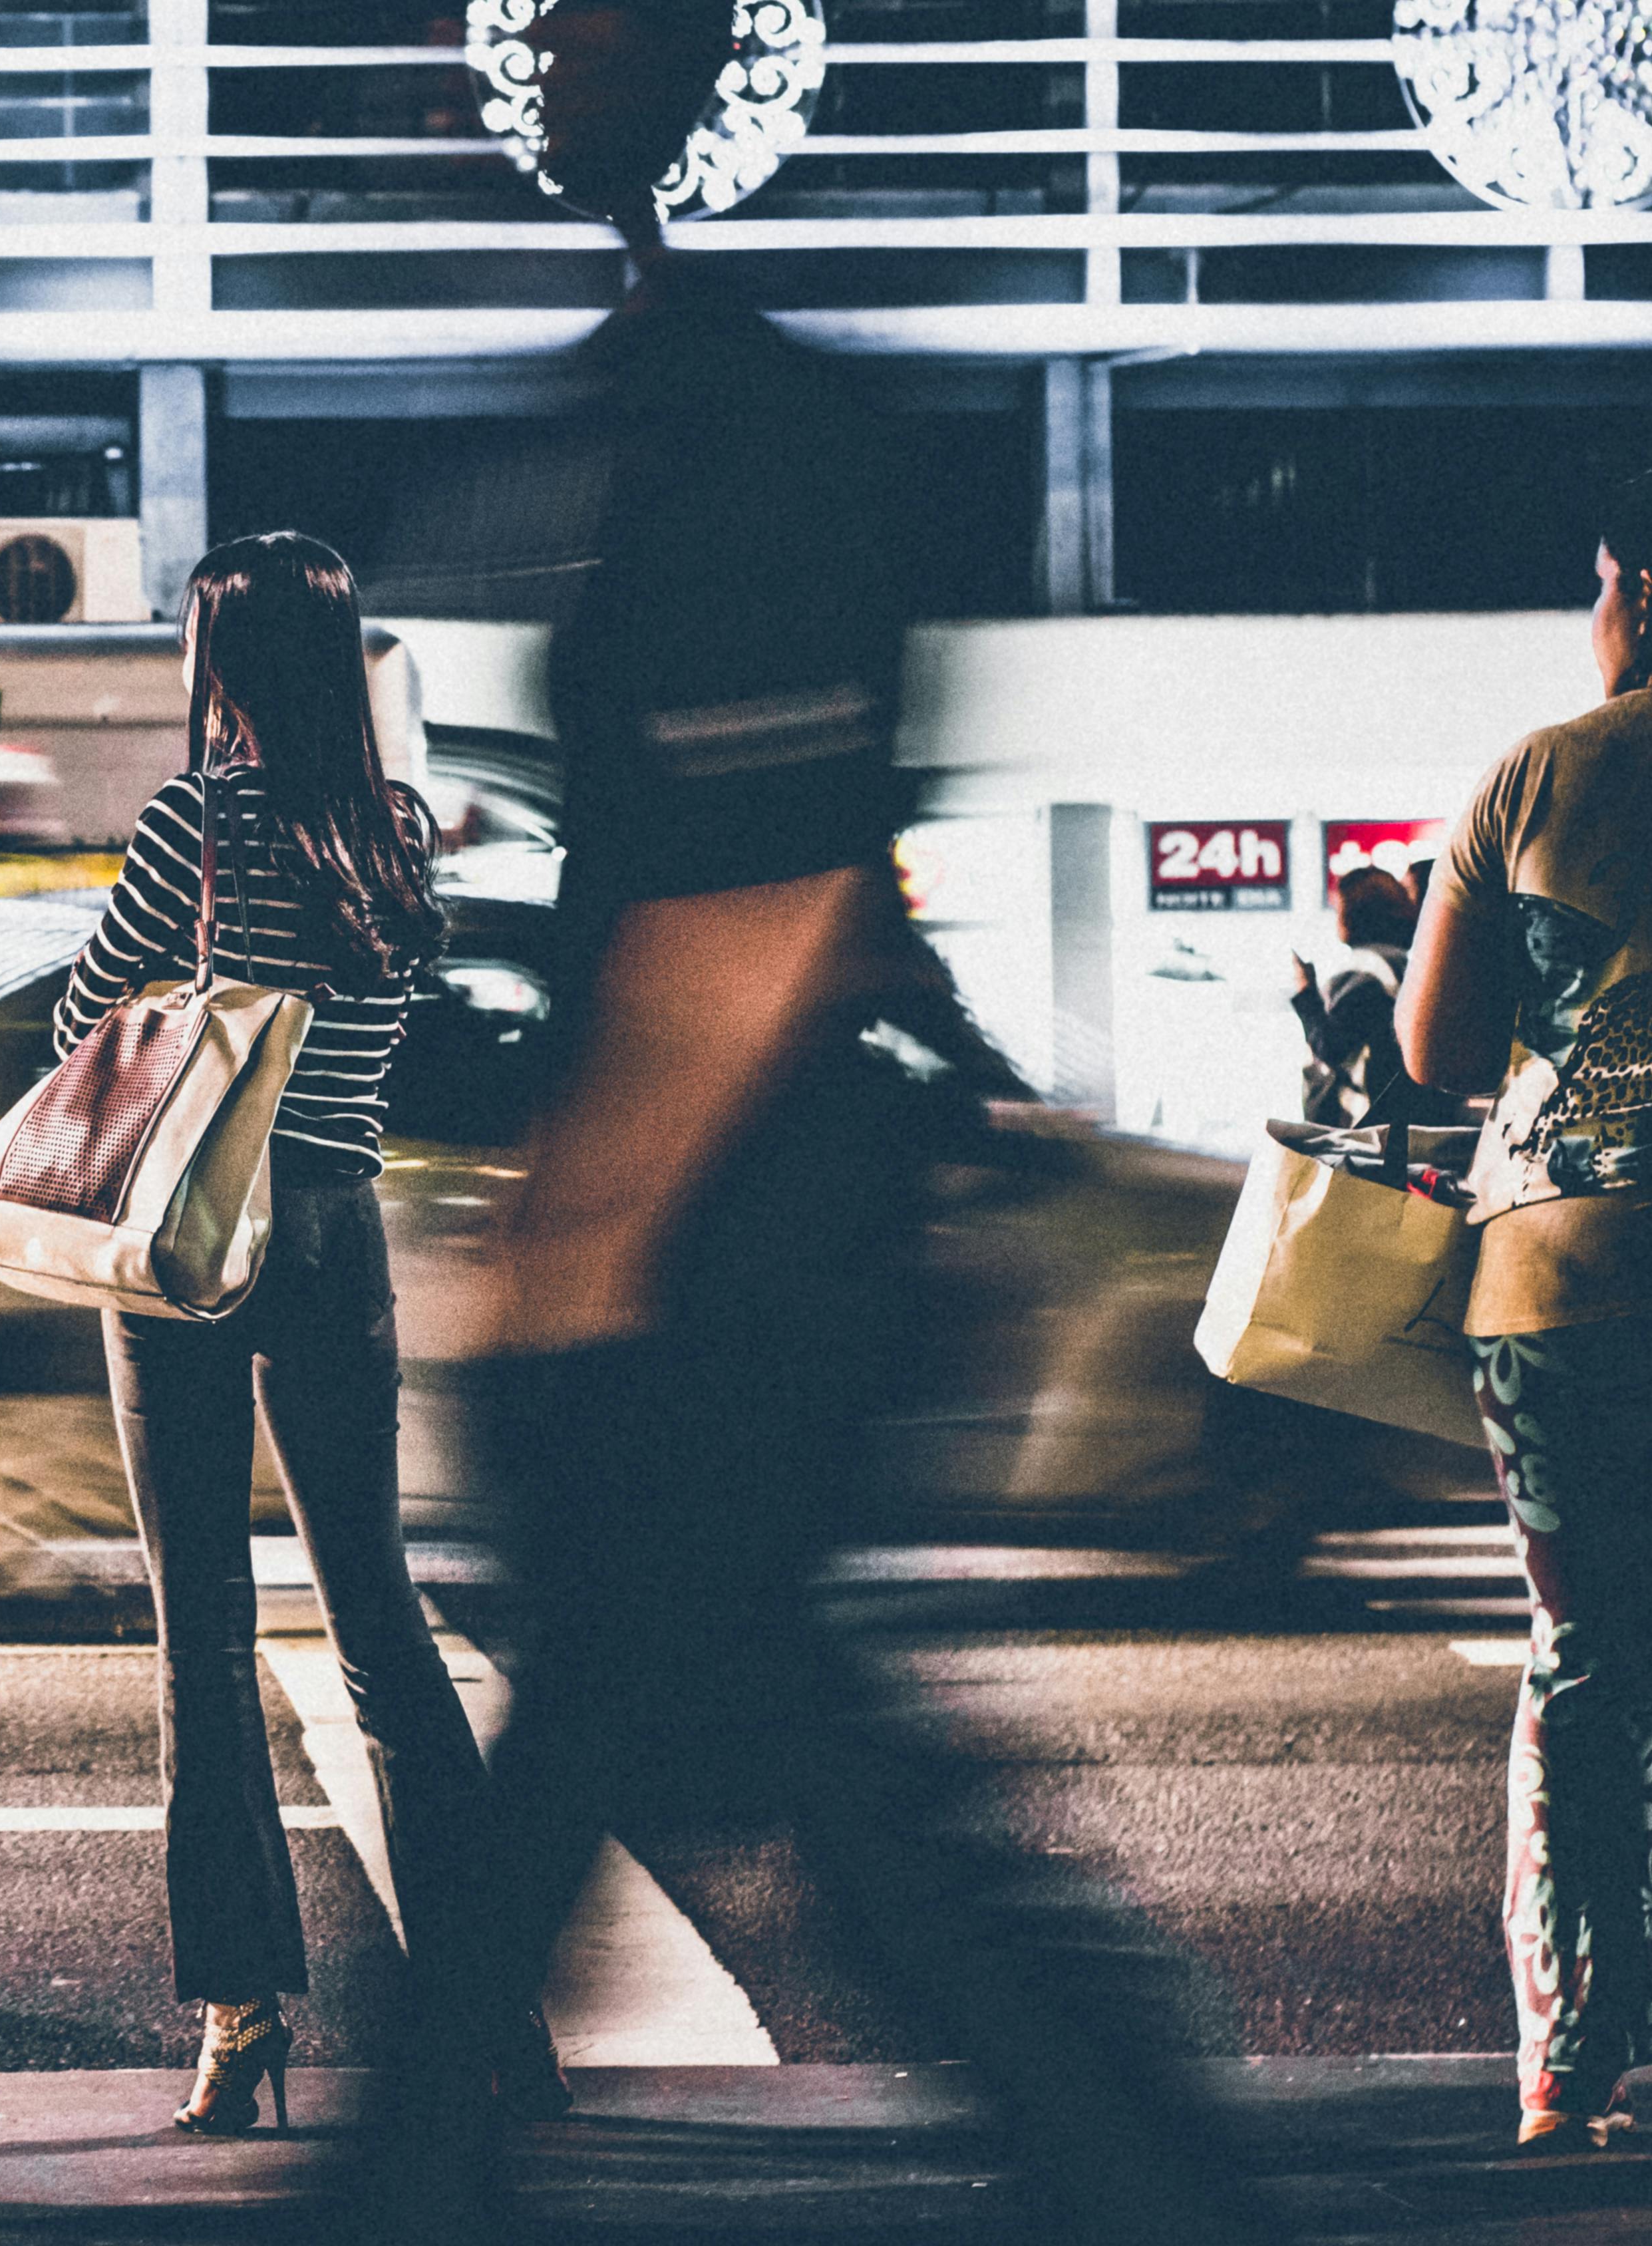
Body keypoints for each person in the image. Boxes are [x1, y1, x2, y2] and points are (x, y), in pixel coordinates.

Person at [357, 3, 1287, 2238]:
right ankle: (1138, 2164)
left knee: (700, 1763)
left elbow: (760, 889)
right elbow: (825, 879)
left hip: (728, 1262)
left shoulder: (732, 431)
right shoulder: (674, 398)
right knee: (774, 1782)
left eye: (569, 27)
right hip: (769, 1233)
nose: (514, 69)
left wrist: (572, 1255)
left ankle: (1143, 2167)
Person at [43, 532, 560, 2136]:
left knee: (201, 1628)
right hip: (338, 1229)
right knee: (380, 1629)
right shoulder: (396, 837)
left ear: (221, 665)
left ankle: (242, 2011)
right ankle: (490, 2007)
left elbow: (85, 1023)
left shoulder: (195, 824)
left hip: (196, 1236)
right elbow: (393, 1022)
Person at [1397, 469, 1652, 2153]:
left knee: (1587, 1663)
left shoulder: (1538, 773)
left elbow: (1430, 1050)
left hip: (1568, 1280)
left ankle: (1572, 2059)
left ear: (1633, 589)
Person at [1293, 864, 1448, 1128]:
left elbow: (1331, 1046)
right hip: (1400, 1114)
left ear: (1354, 912)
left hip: (1361, 1124)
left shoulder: (1366, 970)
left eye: (1338, 908)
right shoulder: (1402, 964)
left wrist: (1306, 990)